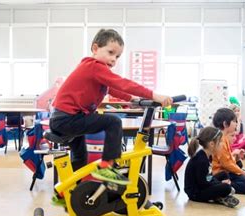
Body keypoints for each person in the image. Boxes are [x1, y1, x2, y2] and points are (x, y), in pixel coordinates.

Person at [49, 29, 172, 198]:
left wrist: (133, 100)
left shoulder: (93, 70)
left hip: (63, 118)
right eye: (110, 53)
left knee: (80, 156)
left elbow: (114, 89)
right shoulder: (94, 66)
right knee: (113, 122)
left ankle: (70, 193)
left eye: (117, 56)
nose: (114, 59)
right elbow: (122, 83)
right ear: (95, 48)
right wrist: (153, 95)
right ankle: (107, 168)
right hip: (68, 118)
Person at [184, 127, 239, 208]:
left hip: (202, 184)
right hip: (195, 193)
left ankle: (219, 196)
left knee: (224, 174)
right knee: (226, 188)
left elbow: (208, 177)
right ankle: (219, 196)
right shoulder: (201, 160)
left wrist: (218, 183)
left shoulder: (207, 155)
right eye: (220, 142)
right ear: (212, 144)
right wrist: (220, 184)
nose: (222, 144)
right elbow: (202, 184)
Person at [211, 108, 245, 194]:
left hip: (227, 171)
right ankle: (224, 184)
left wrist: (236, 157)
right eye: (234, 121)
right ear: (225, 124)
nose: (236, 124)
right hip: (222, 174)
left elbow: (228, 160)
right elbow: (226, 164)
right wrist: (242, 172)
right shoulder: (220, 141)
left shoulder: (224, 138)